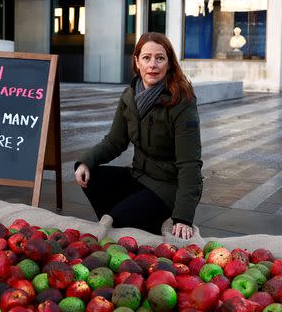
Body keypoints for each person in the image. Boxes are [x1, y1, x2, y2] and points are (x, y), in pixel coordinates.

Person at [74, 32, 203, 240]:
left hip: (168, 187)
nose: (153, 64)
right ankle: (133, 219)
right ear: (137, 61)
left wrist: (183, 217)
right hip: (140, 176)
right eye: (146, 58)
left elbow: (190, 164)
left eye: (160, 58)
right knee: (91, 177)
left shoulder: (181, 101)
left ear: (169, 63)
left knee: (115, 223)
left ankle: (137, 221)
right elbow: (115, 141)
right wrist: (86, 162)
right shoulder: (130, 96)